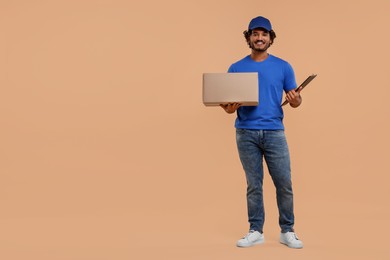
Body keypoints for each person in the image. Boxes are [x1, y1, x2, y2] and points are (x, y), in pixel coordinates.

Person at [220, 16, 304, 249]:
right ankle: (255, 230)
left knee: (284, 183)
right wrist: (229, 108)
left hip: (275, 132)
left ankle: (288, 230)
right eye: (255, 34)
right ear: (248, 38)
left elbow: (295, 102)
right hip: (245, 132)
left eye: (264, 34)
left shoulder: (283, 66)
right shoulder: (236, 68)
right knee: (253, 184)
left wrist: (296, 99)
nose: (260, 38)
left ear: (270, 38)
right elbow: (228, 107)